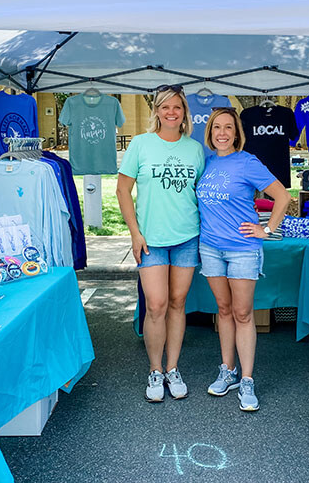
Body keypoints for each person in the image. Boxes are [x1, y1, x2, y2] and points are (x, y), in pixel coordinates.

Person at [196, 107, 291, 411]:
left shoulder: (248, 162)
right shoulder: (207, 163)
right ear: (210, 133)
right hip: (210, 247)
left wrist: (268, 229)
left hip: (242, 249)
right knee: (223, 310)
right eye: (216, 128)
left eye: (228, 128)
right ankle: (228, 371)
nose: (222, 133)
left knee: (243, 313)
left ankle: (247, 379)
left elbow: (282, 196)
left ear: (237, 133)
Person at [116, 85, 205, 402]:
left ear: (184, 113)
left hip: (186, 237)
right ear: (156, 111)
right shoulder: (140, 145)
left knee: (178, 304)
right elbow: (123, 191)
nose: (171, 113)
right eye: (165, 107)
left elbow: (200, 193)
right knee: (156, 305)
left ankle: (172, 368)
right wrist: (134, 233)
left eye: (177, 107)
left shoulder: (194, 149)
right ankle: (155, 370)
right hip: (150, 240)